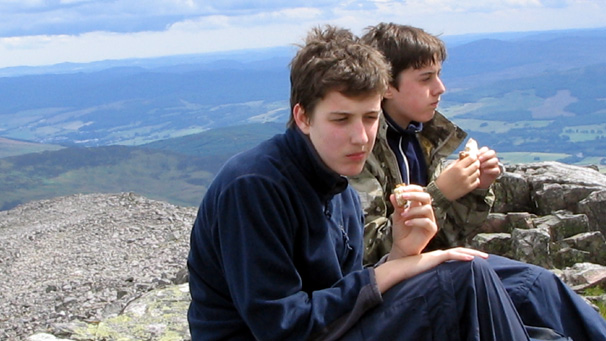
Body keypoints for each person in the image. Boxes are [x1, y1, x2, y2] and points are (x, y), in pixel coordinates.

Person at [187, 25, 534, 340]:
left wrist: (401, 252)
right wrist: (395, 270)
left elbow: (342, 295)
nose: (361, 138)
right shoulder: (255, 186)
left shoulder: (341, 190)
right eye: (341, 119)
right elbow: (283, 327)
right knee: (463, 281)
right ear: (303, 117)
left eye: (370, 118)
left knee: (520, 283)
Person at [350, 22, 606, 340]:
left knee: (537, 285)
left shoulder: (420, 140)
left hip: (434, 267)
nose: (440, 88)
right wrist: (441, 192)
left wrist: (476, 189)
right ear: (386, 86)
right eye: (426, 78)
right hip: (390, 289)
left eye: (439, 75)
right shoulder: (359, 149)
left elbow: (447, 238)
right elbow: (370, 254)